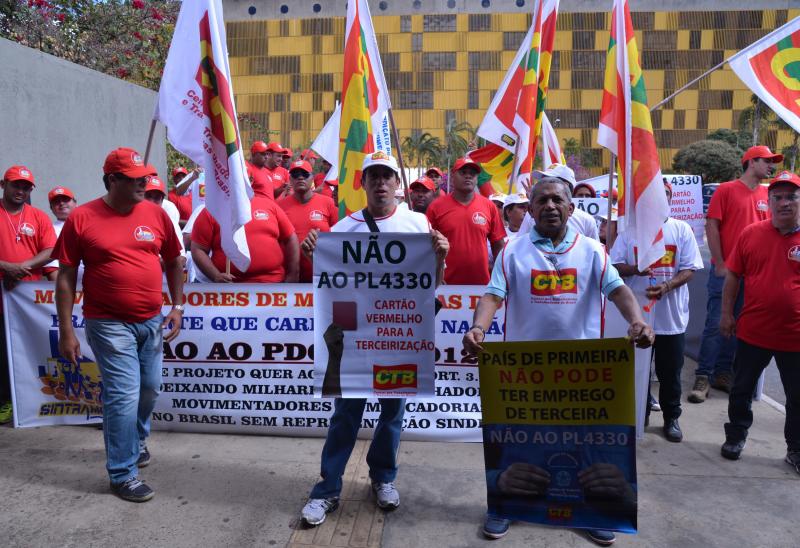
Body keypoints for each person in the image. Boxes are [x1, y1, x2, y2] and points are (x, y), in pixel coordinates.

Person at [462, 176, 655, 545]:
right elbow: (491, 296)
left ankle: (593, 511)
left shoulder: (593, 252)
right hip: (523, 376)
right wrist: (477, 329)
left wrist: (638, 321)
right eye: (542, 201)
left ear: (571, 208)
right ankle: (505, 507)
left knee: (582, 444)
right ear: (530, 210)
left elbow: (618, 291)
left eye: (557, 201)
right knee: (519, 442)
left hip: (580, 375)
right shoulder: (513, 252)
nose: (550, 206)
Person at [298, 151, 449, 526]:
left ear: (398, 184)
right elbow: (333, 286)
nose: (380, 183)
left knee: (392, 412)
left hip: (400, 334)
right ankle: (327, 489)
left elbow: (431, 284)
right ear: (362, 184)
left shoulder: (417, 223)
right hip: (356, 337)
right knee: (346, 414)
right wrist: (313, 250)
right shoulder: (345, 228)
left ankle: (383, 477)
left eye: (387, 176)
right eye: (373, 177)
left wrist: (441, 257)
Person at [54, 147, 185, 502]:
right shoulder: (82, 218)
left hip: (151, 321)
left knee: (149, 389)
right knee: (123, 396)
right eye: (135, 179)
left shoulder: (157, 215)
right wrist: (67, 331)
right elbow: (65, 277)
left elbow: (174, 261)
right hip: (108, 323)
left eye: (145, 177)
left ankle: (136, 439)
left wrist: (177, 305)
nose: (144, 183)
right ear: (112, 180)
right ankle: (122, 473)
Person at [718, 170, 800, 473]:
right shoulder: (751, 234)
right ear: (769, 202)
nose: (784, 203)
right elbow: (733, 277)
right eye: (777, 197)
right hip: (754, 332)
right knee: (741, 389)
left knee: (798, 398)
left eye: (791, 196)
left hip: (796, 337)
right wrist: (726, 314)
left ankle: (796, 449)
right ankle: (736, 437)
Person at [611, 180, 704, 442]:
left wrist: (667, 285)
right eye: (653, 196)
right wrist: (634, 270)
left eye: (664, 196)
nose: (658, 201)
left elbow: (690, 268)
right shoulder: (630, 232)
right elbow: (613, 266)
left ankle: (671, 417)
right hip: (636, 318)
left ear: (670, 200)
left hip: (670, 319)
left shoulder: (681, 229)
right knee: (636, 372)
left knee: (669, 373)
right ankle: (639, 416)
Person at [691, 145, 782, 403]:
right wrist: (720, 263)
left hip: (754, 277)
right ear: (751, 162)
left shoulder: (767, 195)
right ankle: (703, 374)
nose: (770, 166)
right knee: (715, 323)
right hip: (727, 272)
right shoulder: (727, 189)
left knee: (738, 326)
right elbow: (712, 224)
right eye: (766, 161)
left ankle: (722, 374)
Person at [0, 165, 57, 424]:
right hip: (2, 298)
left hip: (28, 303)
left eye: (26, 187)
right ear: (4, 185)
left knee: (30, 352)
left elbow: (50, 250)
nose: (21, 191)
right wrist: (6, 267)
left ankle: (31, 400)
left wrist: (24, 267)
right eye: (16, 185)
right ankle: (4, 401)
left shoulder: (38, 217)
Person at [426, 157, 506, 285]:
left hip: (481, 285)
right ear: (452, 177)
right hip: (445, 285)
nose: (468, 176)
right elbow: (426, 246)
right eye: (463, 173)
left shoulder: (489, 206)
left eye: (472, 174)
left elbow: (498, 245)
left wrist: (500, 277)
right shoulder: (436, 207)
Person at [191, 189, 299, 283]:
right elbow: (198, 249)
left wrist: (293, 273)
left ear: (250, 181)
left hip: (273, 285)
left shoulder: (269, 205)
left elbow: (290, 237)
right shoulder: (213, 210)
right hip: (231, 290)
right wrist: (215, 275)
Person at [277, 160, 338, 282]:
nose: (300, 177)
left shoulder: (328, 203)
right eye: (295, 174)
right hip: (290, 279)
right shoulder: (279, 206)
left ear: (312, 178)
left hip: (322, 277)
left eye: (304, 174)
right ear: (290, 179)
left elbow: (339, 237)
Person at [518, 164, 600, 240]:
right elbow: (520, 245)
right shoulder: (533, 214)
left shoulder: (586, 220)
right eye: (543, 181)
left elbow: (596, 251)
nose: (544, 185)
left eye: (550, 180)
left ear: (566, 185)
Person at [42, 186, 78, 280]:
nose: (61, 203)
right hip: (70, 289)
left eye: (65, 199)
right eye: (56, 201)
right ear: (51, 208)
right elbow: (52, 269)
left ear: (75, 203)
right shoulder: (49, 230)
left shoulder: (90, 224)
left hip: (98, 286)